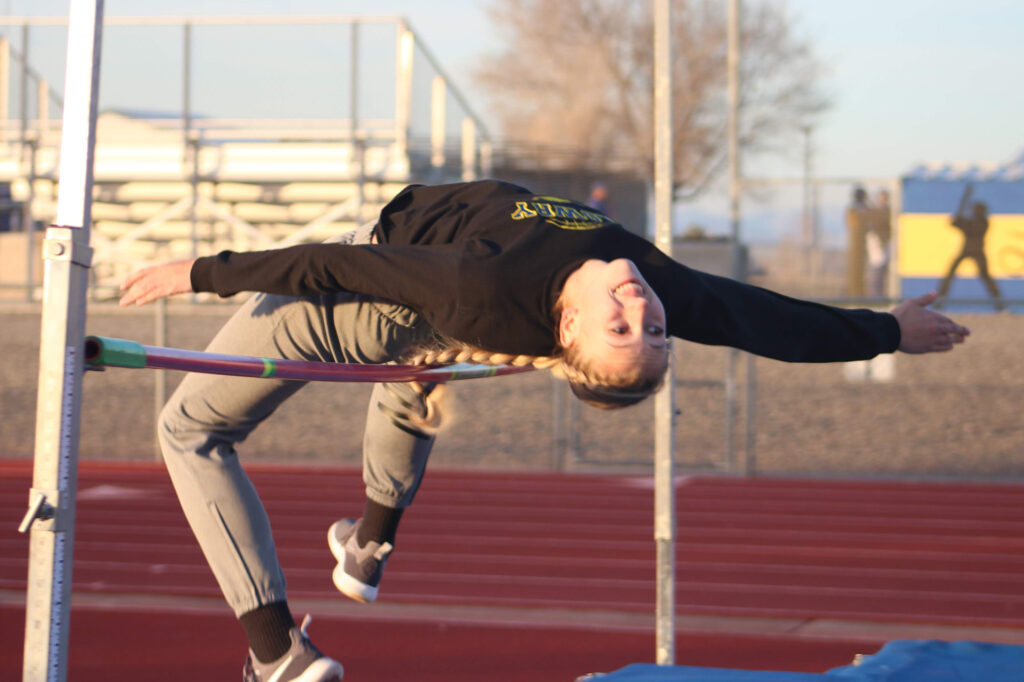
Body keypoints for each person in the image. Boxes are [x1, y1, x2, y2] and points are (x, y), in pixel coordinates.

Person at [120, 179, 970, 682]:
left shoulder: (483, 291)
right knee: (421, 372)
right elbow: (771, 323)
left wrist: (197, 273)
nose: (641, 307)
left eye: (622, 328)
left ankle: (275, 654)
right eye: (656, 329)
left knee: (190, 428)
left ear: (567, 329)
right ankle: (370, 547)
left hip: (361, 303)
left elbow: (337, 267)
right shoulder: (653, 280)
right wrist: (890, 329)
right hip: (431, 319)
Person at [938, 199, 1003, 310]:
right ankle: (940, 300)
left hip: (978, 252)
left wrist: (959, 220)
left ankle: (999, 303)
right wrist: (958, 219)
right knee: (950, 275)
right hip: (966, 250)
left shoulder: (983, 222)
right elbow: (955, 224)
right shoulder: (971, 221)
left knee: (986, 277)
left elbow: (968, 227)